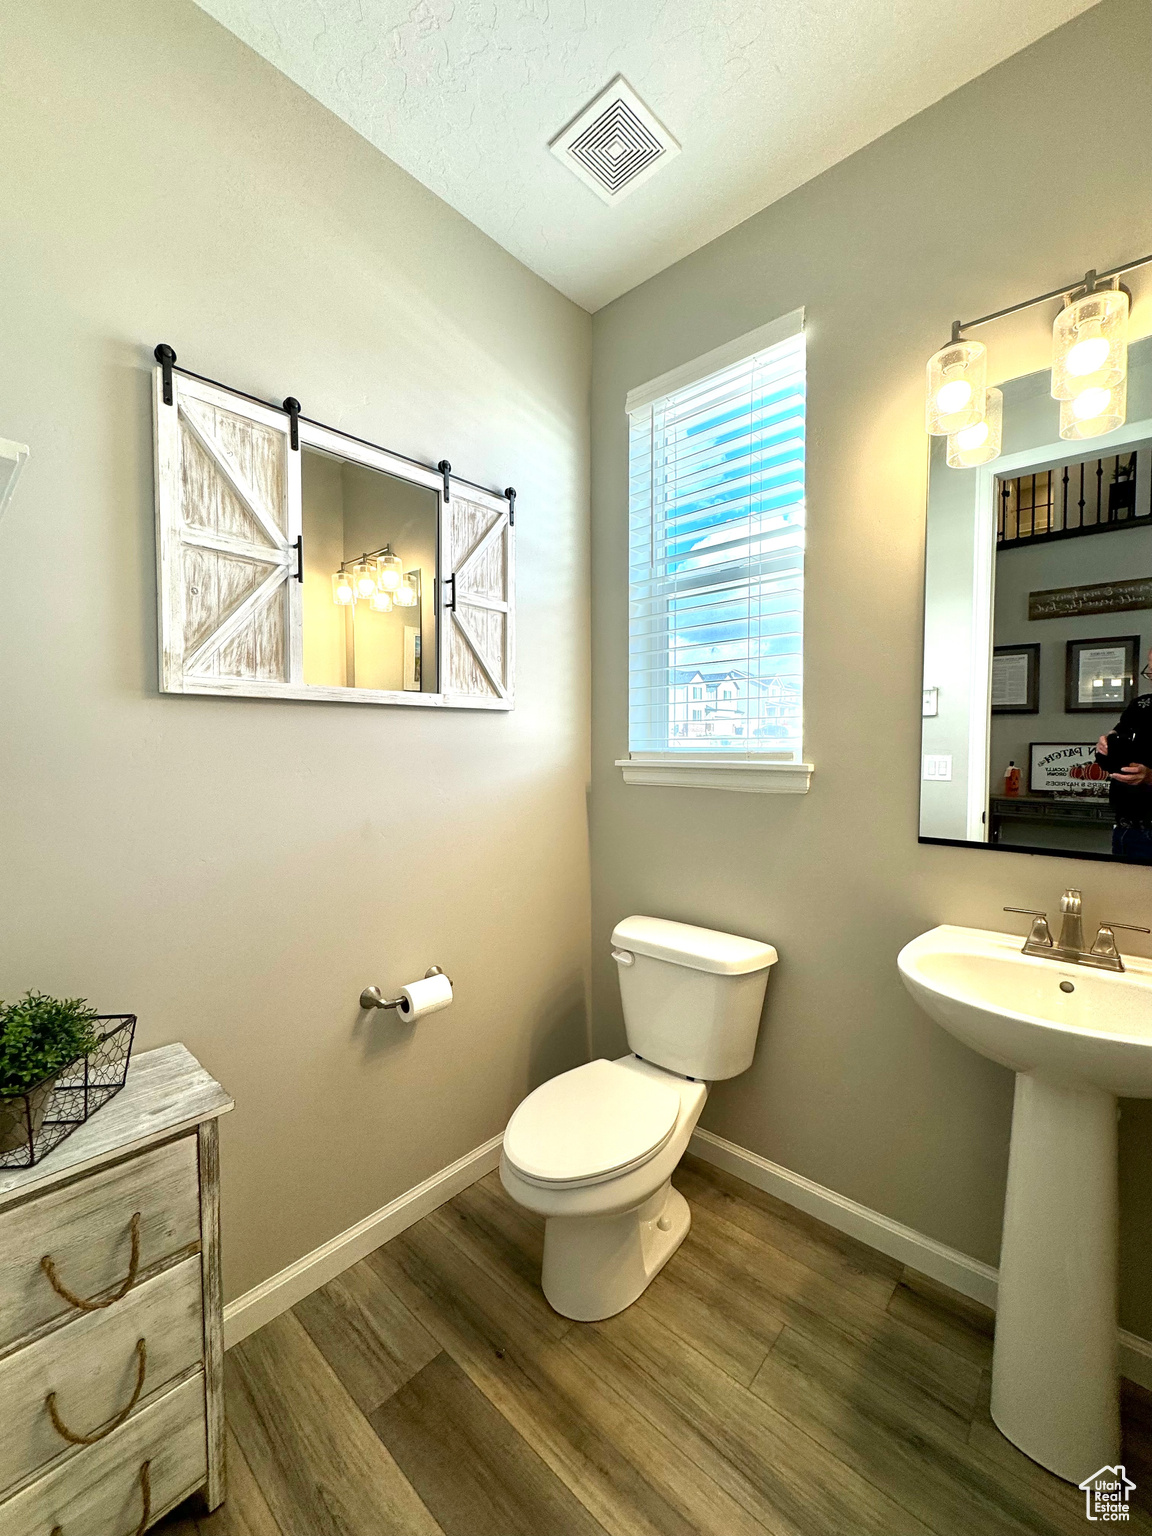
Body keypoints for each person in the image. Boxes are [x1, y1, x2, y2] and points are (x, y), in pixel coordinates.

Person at [1097, 647, 1152, 862]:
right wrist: (1105, 748)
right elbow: (1112, 757)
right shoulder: (1141, 706)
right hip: (1127, 829)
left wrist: (1149, 777)